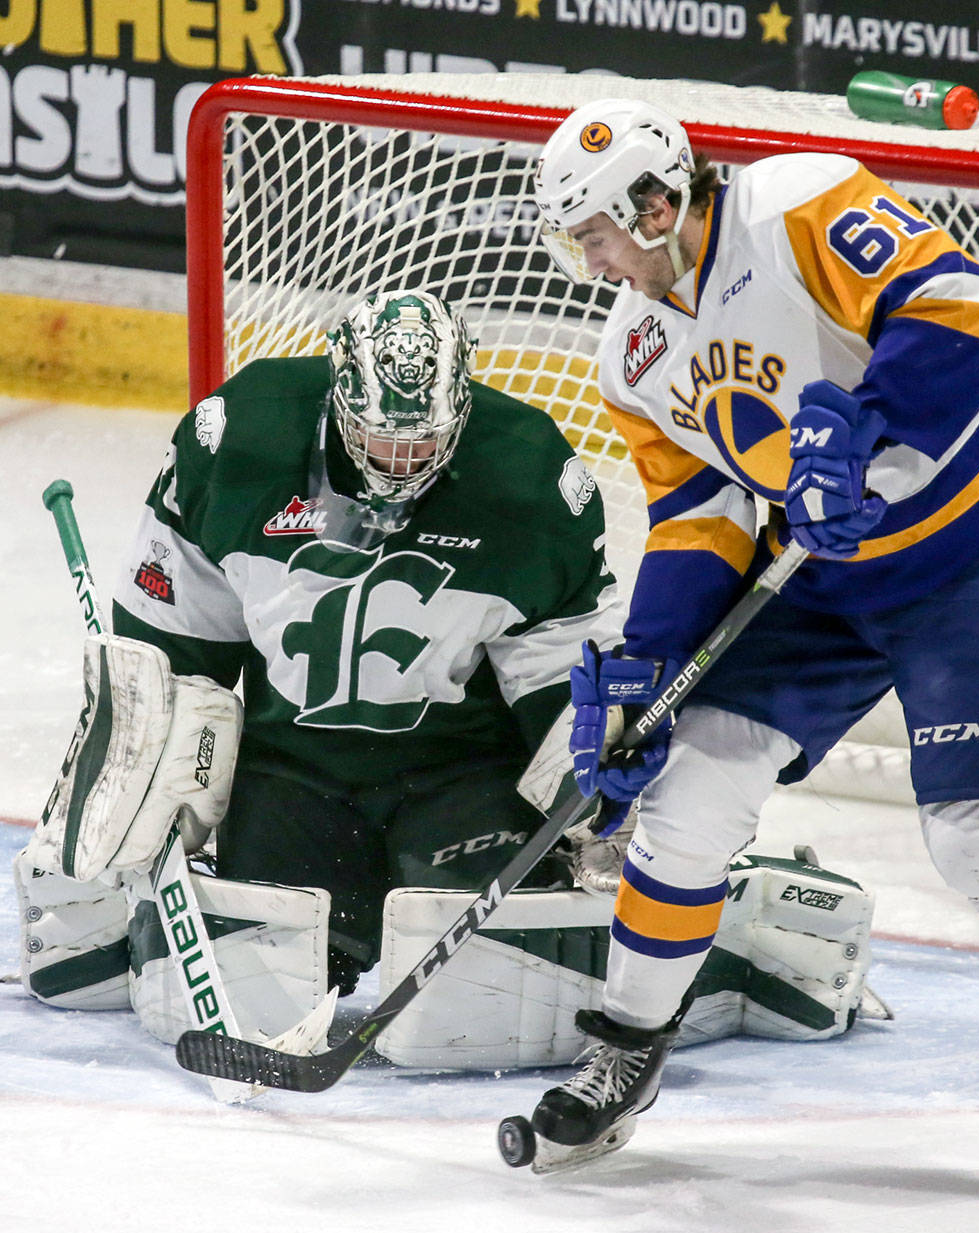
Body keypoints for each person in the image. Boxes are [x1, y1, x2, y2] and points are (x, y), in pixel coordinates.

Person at [513, 98, 979, 1199]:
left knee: (978, 841)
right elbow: (701, 511)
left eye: (599, 233)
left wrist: (863, 421)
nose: (592, 260)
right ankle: (626, 1045)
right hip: (816, 579)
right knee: (688, 787)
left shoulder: (797, 201)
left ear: (657, 203)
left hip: (971, 554)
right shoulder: (632, 351)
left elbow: (958, 302)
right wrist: (651, 665)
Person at [17, 288, 879, 1069]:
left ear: (462, 408)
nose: (400, 462)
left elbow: (558, 665)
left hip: (462, 779)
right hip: (292, 773)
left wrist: (586, 771)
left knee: (476, 984)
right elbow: (174, 635)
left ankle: (733, 938)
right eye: (380, 439)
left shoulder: (529, 474)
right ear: (337, 401)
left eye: (423, 440)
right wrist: (156, 743)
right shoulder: (237, 439)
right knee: (267, 967)